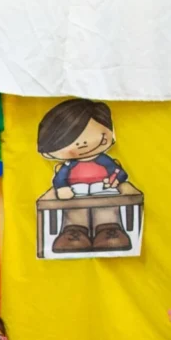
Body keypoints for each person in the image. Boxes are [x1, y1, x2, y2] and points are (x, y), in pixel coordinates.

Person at [38, 98, 131, 253]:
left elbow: (120, 173)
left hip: (103, 190)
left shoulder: (104, 160)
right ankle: (74, 230)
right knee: (74, 209)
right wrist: (62, 188)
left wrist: (116, 180)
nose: (82, 144)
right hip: (76, 192)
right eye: (70, 139)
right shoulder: (69, 165)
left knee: (107, 207)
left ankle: (108, 228)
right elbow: (60, 179)